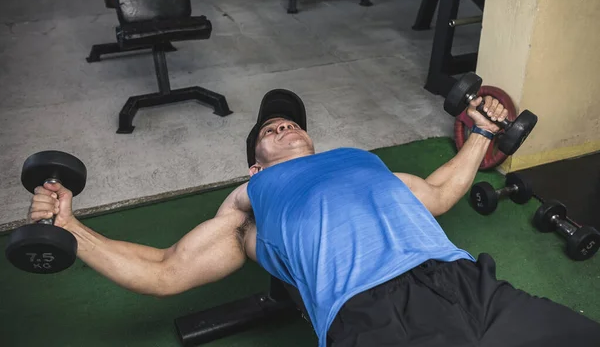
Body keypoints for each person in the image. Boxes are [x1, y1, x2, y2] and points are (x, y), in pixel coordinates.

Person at [29, 89, 600, 347]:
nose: (282, 127)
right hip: (371, 314)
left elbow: (438, 192)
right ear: (255, 165)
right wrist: (71, 229)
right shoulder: (251, 200)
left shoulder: (363, 162)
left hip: (463, 280)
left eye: (290, 124)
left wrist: (481, 132)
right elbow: (166, 270)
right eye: (268, 132)